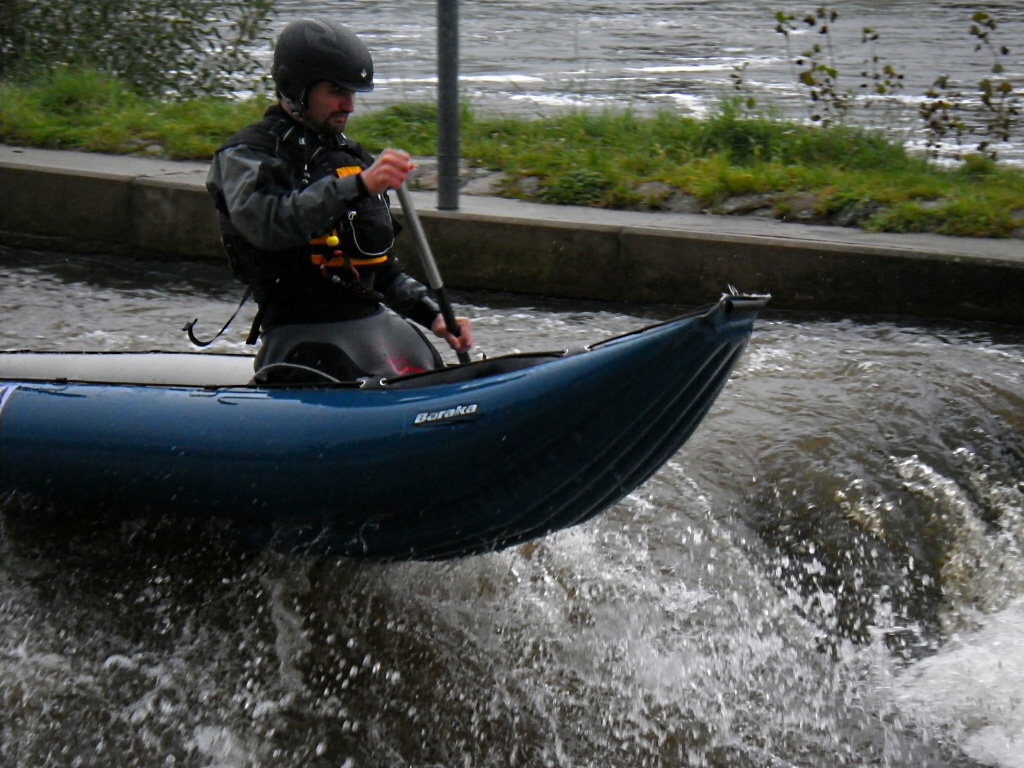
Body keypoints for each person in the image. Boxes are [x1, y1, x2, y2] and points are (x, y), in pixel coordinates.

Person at [205, 17, 472, 382]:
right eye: (336, 91)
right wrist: (358, 187)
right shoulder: (247, 155)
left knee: (425, 360)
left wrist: (434, 315)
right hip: (302, 340)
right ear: (295, 88)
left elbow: (380, 269)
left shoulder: (350, 160)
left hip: (374, 332)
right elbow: (267, 224)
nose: (349, 105)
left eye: (353, 93)